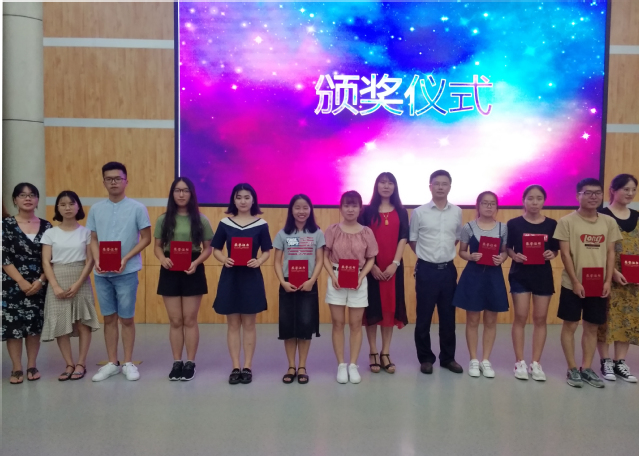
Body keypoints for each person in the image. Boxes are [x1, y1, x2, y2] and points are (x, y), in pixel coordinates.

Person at [554, 178, 622, 388]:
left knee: (592, 327)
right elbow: (565, 254)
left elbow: (611, 253)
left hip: (598, 285)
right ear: (578, 196)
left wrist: (608, 281)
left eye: (597, 193)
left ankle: (587, 368)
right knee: (570, 325)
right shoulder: (566, 221)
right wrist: (575, 282)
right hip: (572, 284)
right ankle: (572, 368)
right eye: (588, 193)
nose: (593, 197)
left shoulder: (609, 222)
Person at [88, 162, 152, 382]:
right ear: (103, 181)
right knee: (108, 318)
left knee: (126, 318)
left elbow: (146, 238)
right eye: (109, 179)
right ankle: (112, 362)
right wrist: (96, 259)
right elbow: (93, 238)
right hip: (102, 273)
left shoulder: (137, 208)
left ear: (126, 181)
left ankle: (128, 362)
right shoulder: (96, 209)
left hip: (127, 271)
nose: (113, 182)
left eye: (118, 178)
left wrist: (126, 258)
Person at [154, 177, 213, 381]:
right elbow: (157, 247)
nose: (181, 194)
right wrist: (162, 259)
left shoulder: (201, 220)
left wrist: (196, 263)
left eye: (185, 190)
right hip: (169, 268)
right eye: (177, 190)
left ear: (191, 194)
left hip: (192, 268)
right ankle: (177, 362)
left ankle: (190, 363)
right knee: (175, 320)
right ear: (172, 194)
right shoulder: (163, 219)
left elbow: (208, 249)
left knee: (189, 319)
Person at [212, 183, 272, 385]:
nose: (243, 201)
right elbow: (216, 249)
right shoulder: (225, 223)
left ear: (253, 200)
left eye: (247, 197)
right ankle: (235, 366)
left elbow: (267, 251)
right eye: (239, 197)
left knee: (249, 324)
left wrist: (259, 261)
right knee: (232, 324)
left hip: (251, 277)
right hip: (230, 277)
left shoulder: (261, 224)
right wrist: (224, 259)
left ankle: (247, 366)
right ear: (234, 200)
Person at [41, 191, 100, 381]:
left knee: (83, 322)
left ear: (78, 206)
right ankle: (68, 363)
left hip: (80, 279)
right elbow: (46, 262)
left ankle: (81, 363)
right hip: (57, 279)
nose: (67, 208)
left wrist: (78, 283)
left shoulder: (86, 232)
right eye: (63, 204)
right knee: (60, 323)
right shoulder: (50, 233)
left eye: (71, 203)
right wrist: (55, 286)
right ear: (57, 208)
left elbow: (90, 260)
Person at [409, 170, 464, 375]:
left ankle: (448, 358)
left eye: (444, 183)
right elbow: (413, 239)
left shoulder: (457, 211)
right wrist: (426, 257)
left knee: (448, 317)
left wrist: (442, 255)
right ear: (430, 186)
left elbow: (456, 237)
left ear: (450, 186)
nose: (440, 187)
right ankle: (425, 358)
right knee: (423, 317)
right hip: (426, 270)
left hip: (448, 270)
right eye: (437, 183)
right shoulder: (419, 212)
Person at [324, 191, 378, 384]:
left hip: (358, 280)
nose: (350, 209)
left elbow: (371, 258)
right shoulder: (332, 230)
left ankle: (353, 365)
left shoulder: (366, 232)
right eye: (346, 205)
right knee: (338, 323)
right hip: (337, 278)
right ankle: (341, 365)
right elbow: (325, 256)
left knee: (356, 325)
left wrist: (361, 277)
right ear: (341, 208)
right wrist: (333, 276)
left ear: (360, 208)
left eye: (354, 205)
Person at [453, 191, 509, 378]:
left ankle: (486, 360)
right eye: (485, 203)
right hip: (473, 276)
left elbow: (505, 251)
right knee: (472, 320)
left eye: (492, 203)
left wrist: (502, 258)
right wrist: (470, 256)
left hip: (494, 277)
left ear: (497, 207)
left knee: (491, 320)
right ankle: (473, 360)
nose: (488, 206)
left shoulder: (502, 228)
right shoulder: (468, 227)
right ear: (478, 205)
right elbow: (461, 251)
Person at [506, 185, 559, 381]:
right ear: (523, 201)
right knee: (520, 317)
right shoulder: (513, 223)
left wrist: (551, 253)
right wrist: (514, 255)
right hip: (519, 274)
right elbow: (508, 248)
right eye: (530, 198)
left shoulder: (552, 224)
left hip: (542, 275)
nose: (534, 202)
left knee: (540, 318)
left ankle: (536, 363)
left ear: (544, 201)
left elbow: (555, 249)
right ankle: (519, 361)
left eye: (538, 198)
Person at [358, 172, 409, 374]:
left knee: (390, 309)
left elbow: (403, 237)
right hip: (371, 268)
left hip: (393, 268)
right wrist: (372, 266)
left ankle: (385, 352)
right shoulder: (366, 211)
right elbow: (361, 239)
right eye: (382, 182)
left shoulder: (401, 211)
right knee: (372, 310)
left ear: (395, 187)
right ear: (376, 186)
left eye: (390, 183)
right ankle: (372, 352)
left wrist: (395, 263)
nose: (386, 186)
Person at [2, 183, 52, 384]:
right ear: (15, 200)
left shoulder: (47, 226)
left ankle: (32, 365)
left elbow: (51, 258)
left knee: (34, 326)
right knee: (14, 327)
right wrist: (21, 281)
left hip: (39, 283)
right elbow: (3, 257)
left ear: (38, 199)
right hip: (12, 283)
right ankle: (16, 368)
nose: (28, 198)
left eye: (32, 195)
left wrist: (41, 280)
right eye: (22, 195)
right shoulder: (5, 225)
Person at [273, 194, 325, 385]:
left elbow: (320, 260)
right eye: (297, 207)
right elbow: (276, 262)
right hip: (287, 284)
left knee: (305, 325)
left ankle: (302, 366)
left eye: (305, 207)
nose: (301, 211)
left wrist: (312, 280)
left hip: (308, 283)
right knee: (288, 327)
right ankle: (291, 366)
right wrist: (282, 282)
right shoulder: (283, 234)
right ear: (291, 210)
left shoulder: (317, 233)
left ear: (310, 210)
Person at [597, 173, 638, 383]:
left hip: (633, 277)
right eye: (625, 189)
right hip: (607, 274)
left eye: (633, 190)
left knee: (628, 317)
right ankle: (605, 361)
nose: (630, 193)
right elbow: (598, 248)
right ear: (613, 190)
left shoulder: (637, 216)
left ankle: (620, 361)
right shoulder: (602, 215)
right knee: (605, 317)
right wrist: (612, 271)